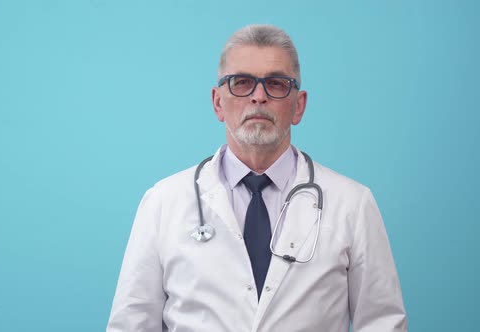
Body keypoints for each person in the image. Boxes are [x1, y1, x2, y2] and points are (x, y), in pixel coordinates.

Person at [107, 24, 407, 332]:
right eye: (242, 82)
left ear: (299, 106)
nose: (259, 96)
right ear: (217, 102)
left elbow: (382, 324)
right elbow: (131, 325)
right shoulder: (163, 202)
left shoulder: (352, 205)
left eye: (276, 84)